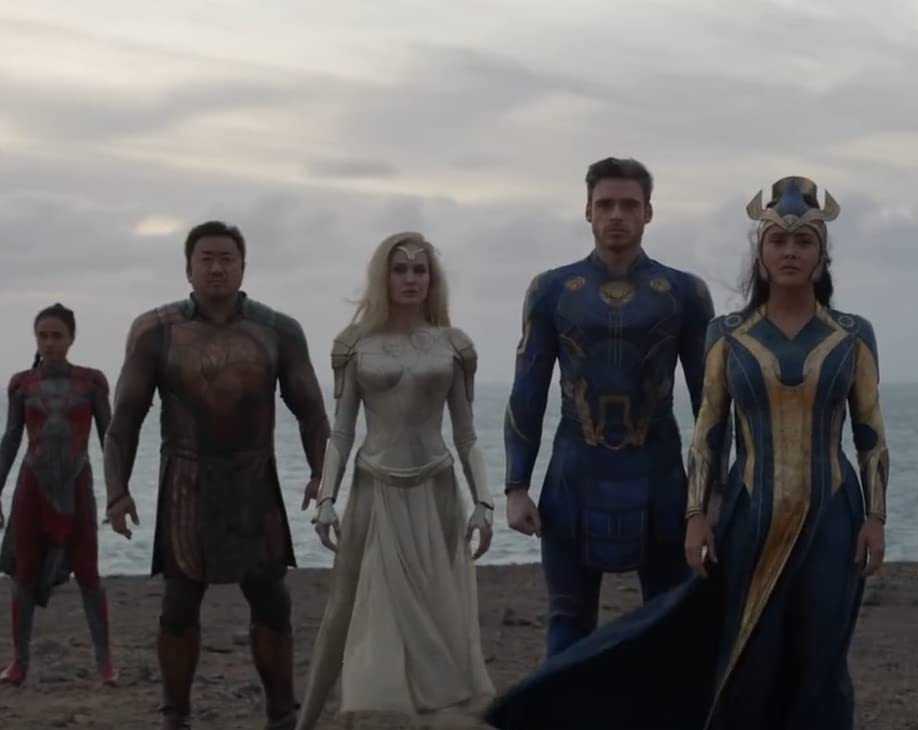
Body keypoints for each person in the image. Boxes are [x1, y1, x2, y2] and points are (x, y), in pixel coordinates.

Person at [486, 176, 890, 730]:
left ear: (822, 255)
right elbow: (707, 430)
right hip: (716, 506)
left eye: (804, 242)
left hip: (827, 510)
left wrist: (875, 517)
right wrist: (698, 514)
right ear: (761, 253)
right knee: (741, 655)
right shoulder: (725, 331)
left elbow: (870, 431)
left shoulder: (848, 333)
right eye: (778, 240)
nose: (790, 252)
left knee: (820, 654)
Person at [104, 221, 330, 730]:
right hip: (186, 483)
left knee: (271, 600)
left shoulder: (278, 330)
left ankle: (281, 714)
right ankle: (176, 717)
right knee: (179, 605)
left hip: (254, 481)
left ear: (243, 267)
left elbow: (312, 412)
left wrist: (323, 474)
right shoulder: (156, 331)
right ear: (188, 268)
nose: (216, 268)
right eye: (205, 258)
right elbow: (125, 420)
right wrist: (117, 492)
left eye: (227, 258)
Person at [503, 157, 715, 656]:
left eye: (629, 205)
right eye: (605, 205)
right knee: (568, 622)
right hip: (573, 476)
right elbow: (528, 390)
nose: (616, 215)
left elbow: (710, 404)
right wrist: (516, 486)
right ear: (588, 211)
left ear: (648, 213)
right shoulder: (552, 290)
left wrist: (709, 499)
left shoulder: (684, 292)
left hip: (660, 477)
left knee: (670, 623)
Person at [296, 232, 496, 728]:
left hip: (436, 487)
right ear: (383, 276)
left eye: (419, 269)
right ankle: (305, 721)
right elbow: (341, 431)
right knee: (342, 608)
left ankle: (431, 713)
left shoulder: (453, 345)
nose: (410, 278)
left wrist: (484, 502)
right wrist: (326, 498)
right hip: (374, 486)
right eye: (400, 269)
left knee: (440, 610)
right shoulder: (355, 344)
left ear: (432, 278)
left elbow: (467, 434)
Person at [0, 303, 117, 686]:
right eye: (43, 336)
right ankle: (19, 663)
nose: (49, 343)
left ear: (71, 339)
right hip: (31, 487)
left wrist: (118, 492)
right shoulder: (21, 384)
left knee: (88, 572)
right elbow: (11, 438)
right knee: (23, 574)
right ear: (35, 339)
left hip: (76, 484)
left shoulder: (91, 382)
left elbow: (109, 438)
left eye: (57, 336)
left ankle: (105, 663)